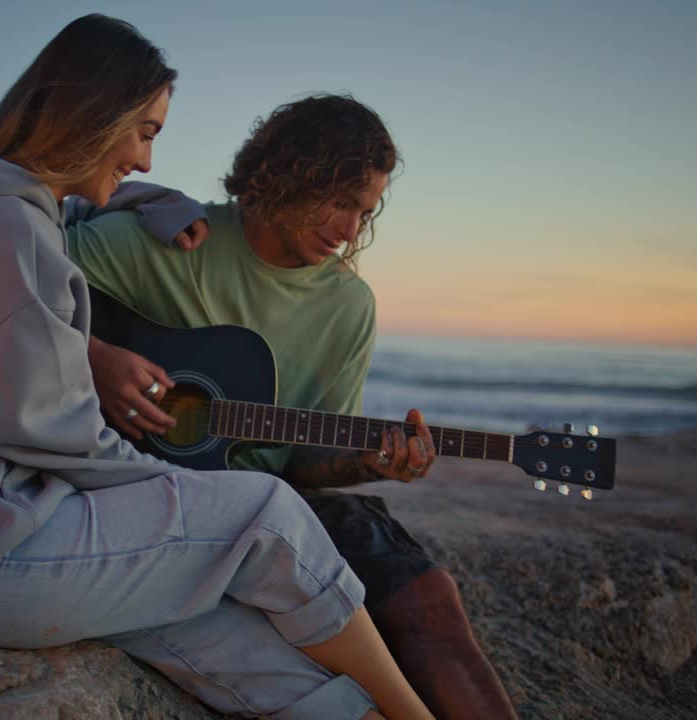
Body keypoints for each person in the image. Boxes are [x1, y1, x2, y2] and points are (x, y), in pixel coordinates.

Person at [0, 15, 434, 720]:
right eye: (145, 132)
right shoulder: (1, 232)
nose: (147, 161)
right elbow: (62, 439)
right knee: (265, 513)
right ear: (90, 115)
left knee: (257, 658)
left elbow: (59, 209)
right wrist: (196, 502)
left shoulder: (6, 217)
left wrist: (149, 206)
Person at [66, 94, 518, 720]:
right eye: (340, 201)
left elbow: (304, 464)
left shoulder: (348, 307)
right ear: (288, 174)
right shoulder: (171, 239)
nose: (350, 230)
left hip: (273, 506)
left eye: (364, 211)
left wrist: (368, 462)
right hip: (139, 491)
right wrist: (93, 355)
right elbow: (7, 281)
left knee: (428, 600)